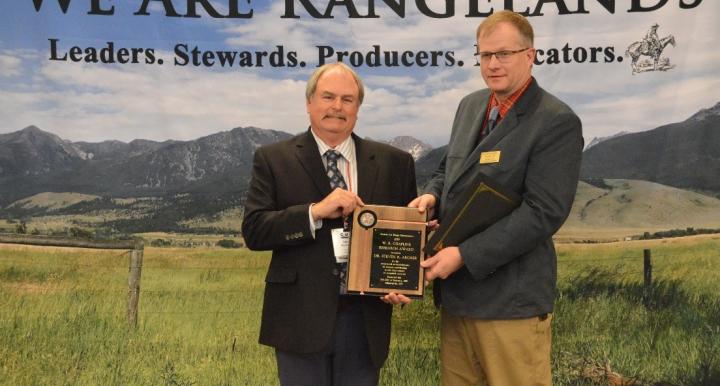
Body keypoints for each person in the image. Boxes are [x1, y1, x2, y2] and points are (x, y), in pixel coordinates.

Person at [409, 10, 583, 386]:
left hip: (510, 305)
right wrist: (431, 197)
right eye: (485, 55)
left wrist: (463, 256)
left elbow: (543, 212)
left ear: (529, 55)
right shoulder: (470, 105)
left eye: (503, 54)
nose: (492, 64)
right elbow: (447, 170)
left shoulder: (555, 121)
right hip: (457, 301)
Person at [242, 62, 416, 386]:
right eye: (328, 97)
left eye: (347, 99)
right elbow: (254, 230)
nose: (337, 107)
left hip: (366, 321)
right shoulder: (273, 158)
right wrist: (315, 212)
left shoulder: (396, 163)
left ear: (358, 108)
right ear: (309, 103)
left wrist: (403, 282)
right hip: (299, 319)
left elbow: (405, 237)